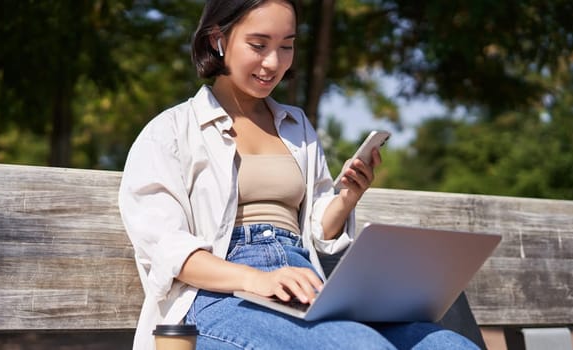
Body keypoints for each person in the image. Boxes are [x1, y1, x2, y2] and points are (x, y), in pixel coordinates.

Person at [118, 0, 479, 349]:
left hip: (305, 285)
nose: (273, 63)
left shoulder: (296, 126)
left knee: (448, 344)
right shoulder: (171, 131)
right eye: (258, 45)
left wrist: (346, 199)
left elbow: (317, 229)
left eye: (286, 46)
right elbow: (167, 248)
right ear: (219, 39)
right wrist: (257, 278)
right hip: (217, 296)